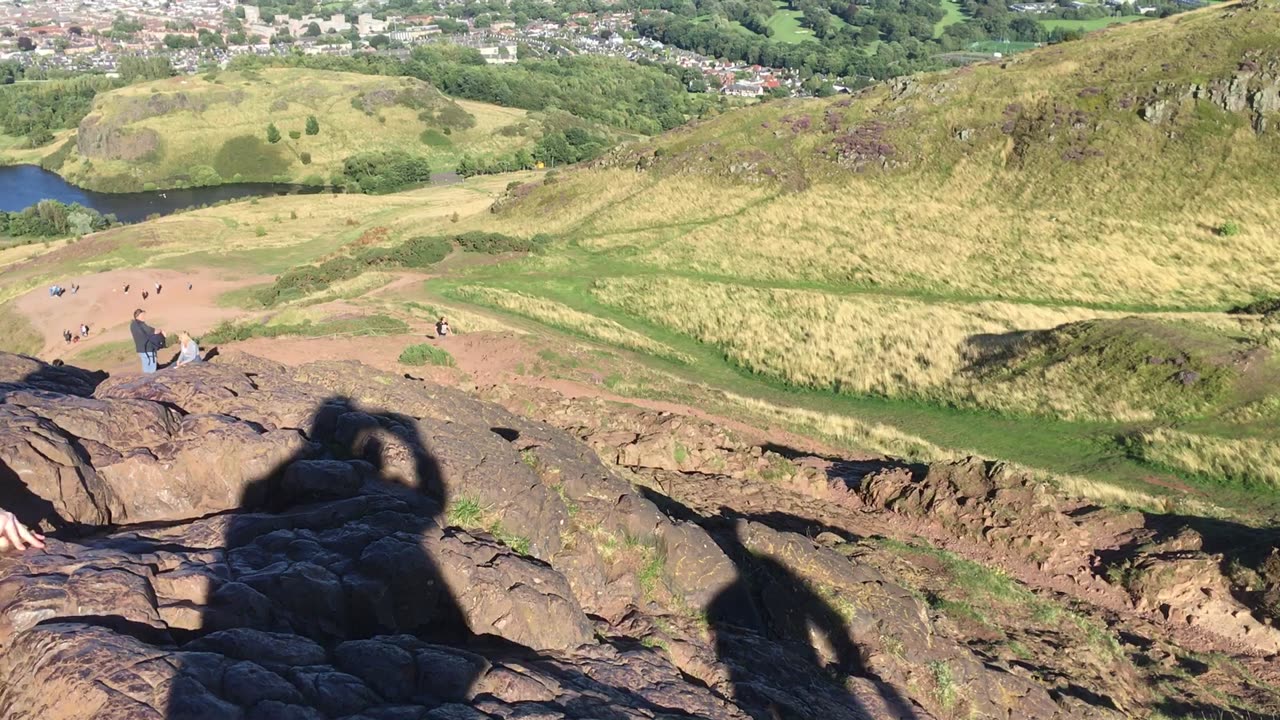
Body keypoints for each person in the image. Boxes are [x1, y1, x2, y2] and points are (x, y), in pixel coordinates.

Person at [130, 308, 164, 374]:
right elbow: (153, 331)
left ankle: (146, 382)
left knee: (146, 367)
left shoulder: (133, 325)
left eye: (144, 315)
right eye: (142, 316)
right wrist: (161, 331)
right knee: (152, 369)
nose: (143, 317)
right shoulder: (141, 324)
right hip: (148, 349)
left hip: (140, 350)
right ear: (137, 316)